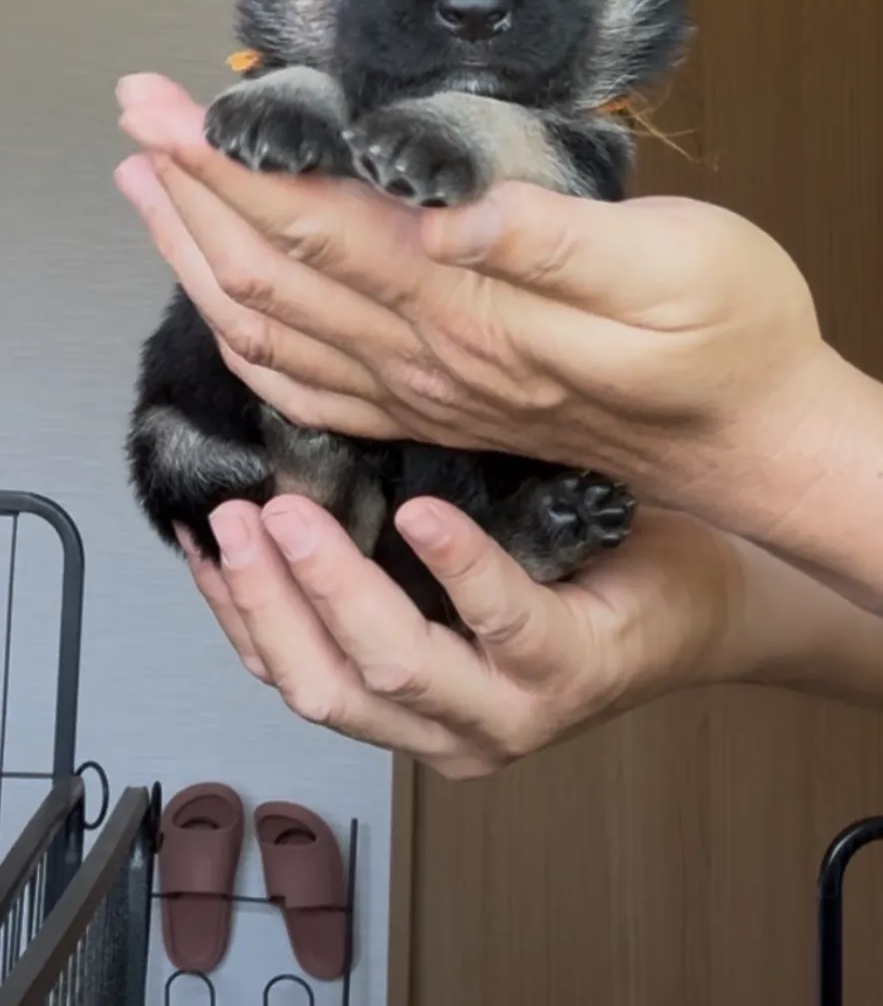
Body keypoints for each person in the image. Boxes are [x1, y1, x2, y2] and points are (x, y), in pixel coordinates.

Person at [114, 72, 883, 778]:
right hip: (306, 460)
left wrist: (770, 435)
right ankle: (425, 523)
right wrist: (715, 601)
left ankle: (487, 535)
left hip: (434, 478)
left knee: (464, 490)